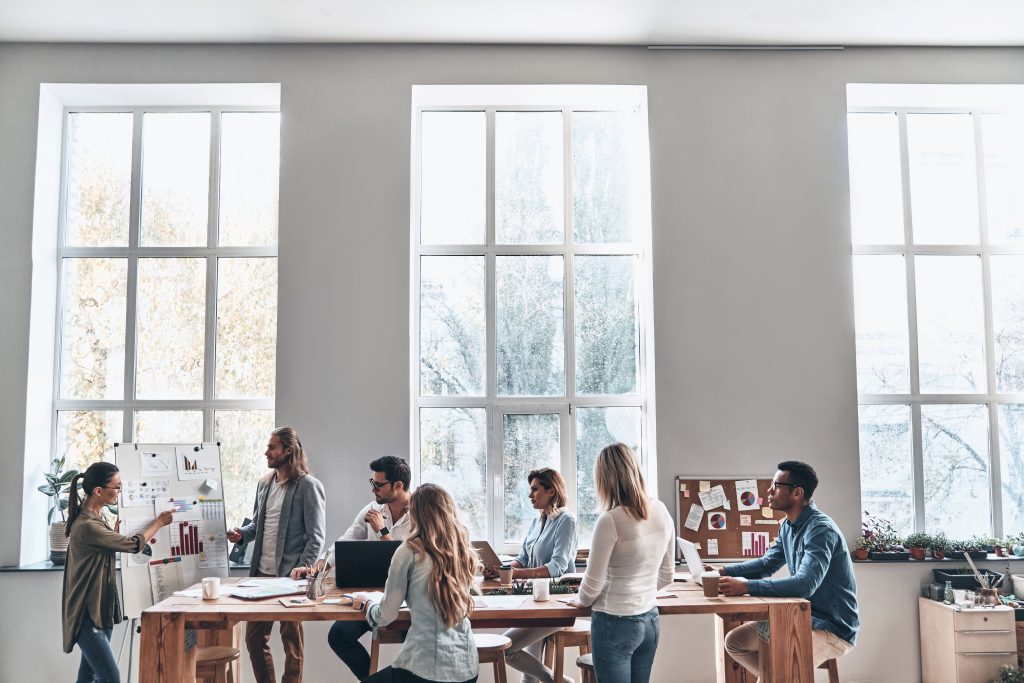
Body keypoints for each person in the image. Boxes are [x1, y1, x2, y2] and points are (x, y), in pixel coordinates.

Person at [711, 461, 859, 681]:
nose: (769, 491)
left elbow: (804, 585)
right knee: (736, 643)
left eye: (776, 485)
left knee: (783, 670)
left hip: (831, 629)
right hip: (798, 619)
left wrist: (747, 587)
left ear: (797, 492)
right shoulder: (787, 526)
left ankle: (782, 677)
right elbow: (766, 564)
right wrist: (722, 571)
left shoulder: (820, 530)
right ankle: (780, 677)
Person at [291, 456, 413, 680]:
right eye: (372, 482)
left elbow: (405, 558)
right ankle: (370, 680)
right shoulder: (372, 509)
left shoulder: (420, 513)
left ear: (398, 485)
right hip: (375, 594)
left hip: (409, 596)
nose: (373, 489)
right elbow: (344, 542)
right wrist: (318, 568)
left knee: (412, 643)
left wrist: (383, 530)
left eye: (378, 484)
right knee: (339, 636)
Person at [226, 427, 326, 683]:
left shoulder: (308, 486)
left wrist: (303, 570)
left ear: (288, 451)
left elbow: (315, 536)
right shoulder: (264, 484)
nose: (266, 452)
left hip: (290, 576)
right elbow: (258, 524)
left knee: (291, 641)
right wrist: (242, 534)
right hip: (260, 575)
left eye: (272, 448)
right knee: (254, 639)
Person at [353, 483, 479, 683]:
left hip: (425, 670)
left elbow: (385, 616)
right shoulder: (462, 551)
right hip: (467, 669)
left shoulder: (409, 551)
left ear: (416, 514)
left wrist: (368, 604)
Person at [62, 462, 173, 683]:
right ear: (98, 491)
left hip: (100, 609)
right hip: (86, 612)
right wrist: (159, 522)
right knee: (110, 677)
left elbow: (99, 553)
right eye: (117, 487)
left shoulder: (96, 520)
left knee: (88, 676)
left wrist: (111, 535)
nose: (119, 492)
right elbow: (133, 545)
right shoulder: (87, 525)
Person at [576, 444, 674, 683]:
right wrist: (642, 593)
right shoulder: (661, 510)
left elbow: (591, 587)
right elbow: (667, 576)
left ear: (605, 479)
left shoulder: (610, 520)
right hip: (650, 620)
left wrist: (579, 600)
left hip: (614, 622)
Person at [482, 468, 577, 683]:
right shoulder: (536, 522)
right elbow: (523, 559)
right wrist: (501, 569)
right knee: (527, 674)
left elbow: (557, 567)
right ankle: (557, 681)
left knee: (506, 647)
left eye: (535, 489)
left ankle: (559, 681)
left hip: (557, 604)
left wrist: (514, 574)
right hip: (533, 602)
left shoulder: (566, 521)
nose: (530, 495)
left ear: (551, 491)